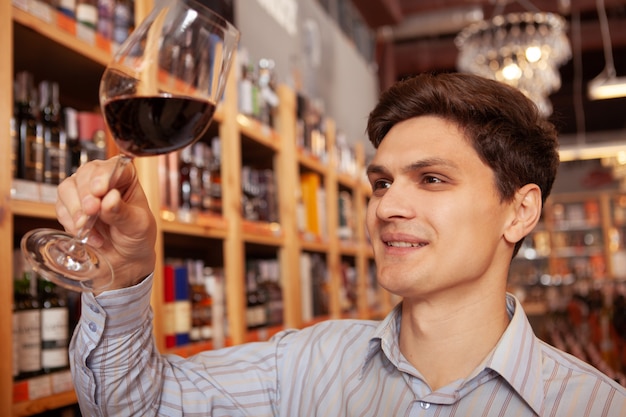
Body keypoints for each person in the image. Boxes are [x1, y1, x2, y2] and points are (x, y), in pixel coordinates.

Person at [58, 72, 626, 416]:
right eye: (381, 183)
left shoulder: (594, 406)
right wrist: (121, 277)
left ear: (520, 211)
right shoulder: (304, 365)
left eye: (431, 179)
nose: (387, 207)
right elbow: (133, 405)